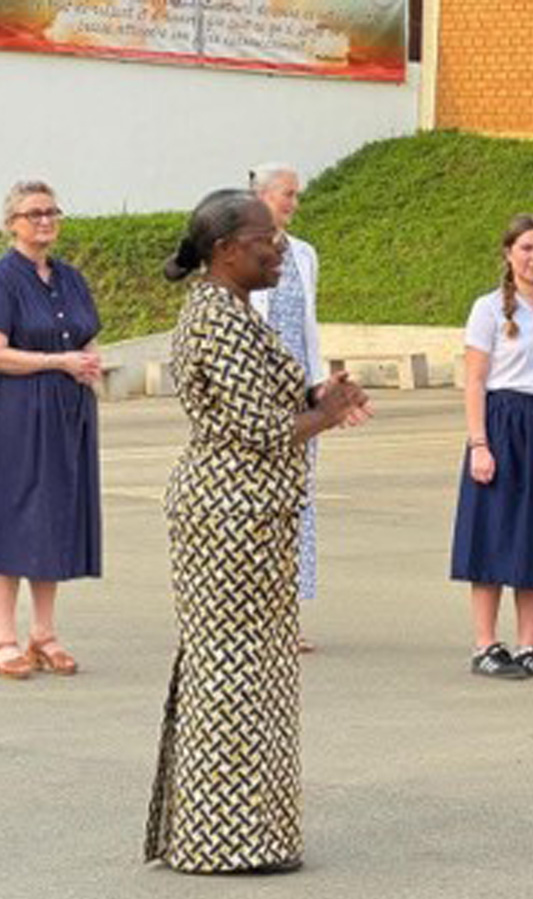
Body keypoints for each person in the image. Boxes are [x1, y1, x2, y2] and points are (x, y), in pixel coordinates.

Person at [145, 189, 368, 875]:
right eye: (265, 240)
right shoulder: (213, 316)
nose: (278, 250)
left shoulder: (237, 310)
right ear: (224, 251)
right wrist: (324, 417)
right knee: (229, 675)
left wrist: (319, 397)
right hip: (227, 516)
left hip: (256, 517)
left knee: (259, 674)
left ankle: (254, 834)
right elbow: (258, 430)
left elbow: (274, 400)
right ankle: (221, 842)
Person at [0, 180, 102, 680]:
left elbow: (86, 336)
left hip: (65, 413)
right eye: (34, 212)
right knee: (11, 515)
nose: (45, 220)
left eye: (52, 211)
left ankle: (44, 632)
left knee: (52, 514)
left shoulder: (70, 278)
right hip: (12, 413)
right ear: (11, 222)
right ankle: (3, 636)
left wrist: (87, 363)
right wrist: (59, 360)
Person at [451, 214, 533, 680]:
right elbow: (475, 380)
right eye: (526, 248)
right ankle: (486, 644)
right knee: (493, 531)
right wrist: (479, 444)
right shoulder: (488, 309)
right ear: (509, 253)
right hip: (503, 422)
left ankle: (528, 643)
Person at [248, 162, 326, 654]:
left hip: (299, 391)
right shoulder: (239, 250)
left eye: (297, 195)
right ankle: (252, 614)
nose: (293, 203)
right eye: (286, 194)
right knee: (256, 500)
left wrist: (318, 386)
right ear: (261, 197)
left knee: (296, 501)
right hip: (255, 392)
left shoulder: (304, 254)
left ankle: (287, 613)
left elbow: (309, 325)